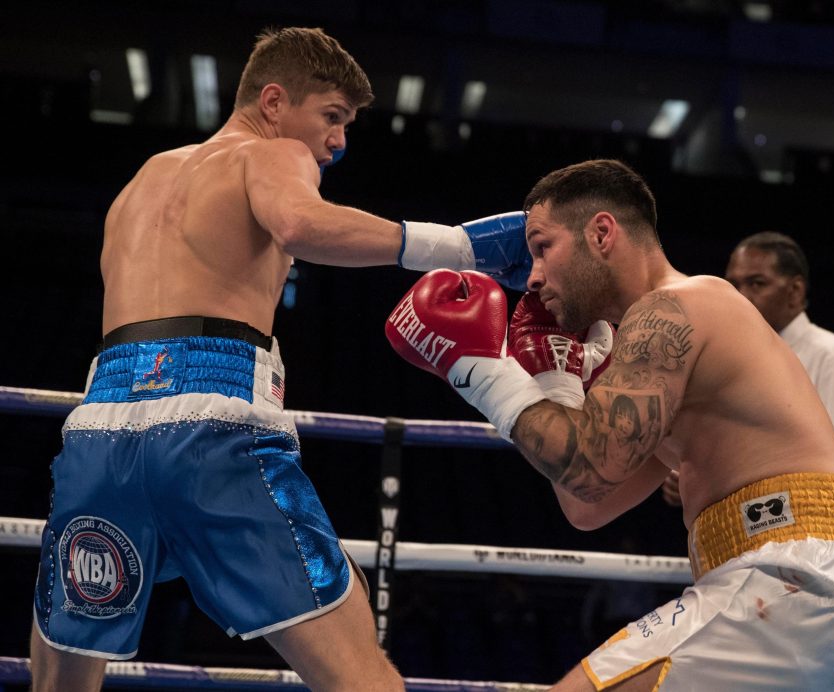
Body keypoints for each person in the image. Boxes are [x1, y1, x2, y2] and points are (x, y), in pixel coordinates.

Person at [30, 26, 531, 692]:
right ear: (273, 102)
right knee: (360, 673)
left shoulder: (141, 184)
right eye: (332, 116)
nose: (338, 141)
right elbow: (299, 224)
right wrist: (462, 247)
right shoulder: (268, 155)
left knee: (61, 679)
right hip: (208, 431)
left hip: (99, 431)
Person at [385, 159, 834, 690]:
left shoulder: (675, 308)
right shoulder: (669, 358)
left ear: (602, 232)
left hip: (791, 580)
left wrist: (478, 369)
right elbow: (586, 501)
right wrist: (556, 380)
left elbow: (587, 468)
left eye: (543, 247)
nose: (533, 275)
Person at [662, 231, 834, 529]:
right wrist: (696, 479)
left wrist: (725, 476)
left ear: (794, 292)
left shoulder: (832, 357)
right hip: (751, 539)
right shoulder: (734, 359)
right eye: (734, 284)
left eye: (756, 284)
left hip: (822, 541)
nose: (740, 296)